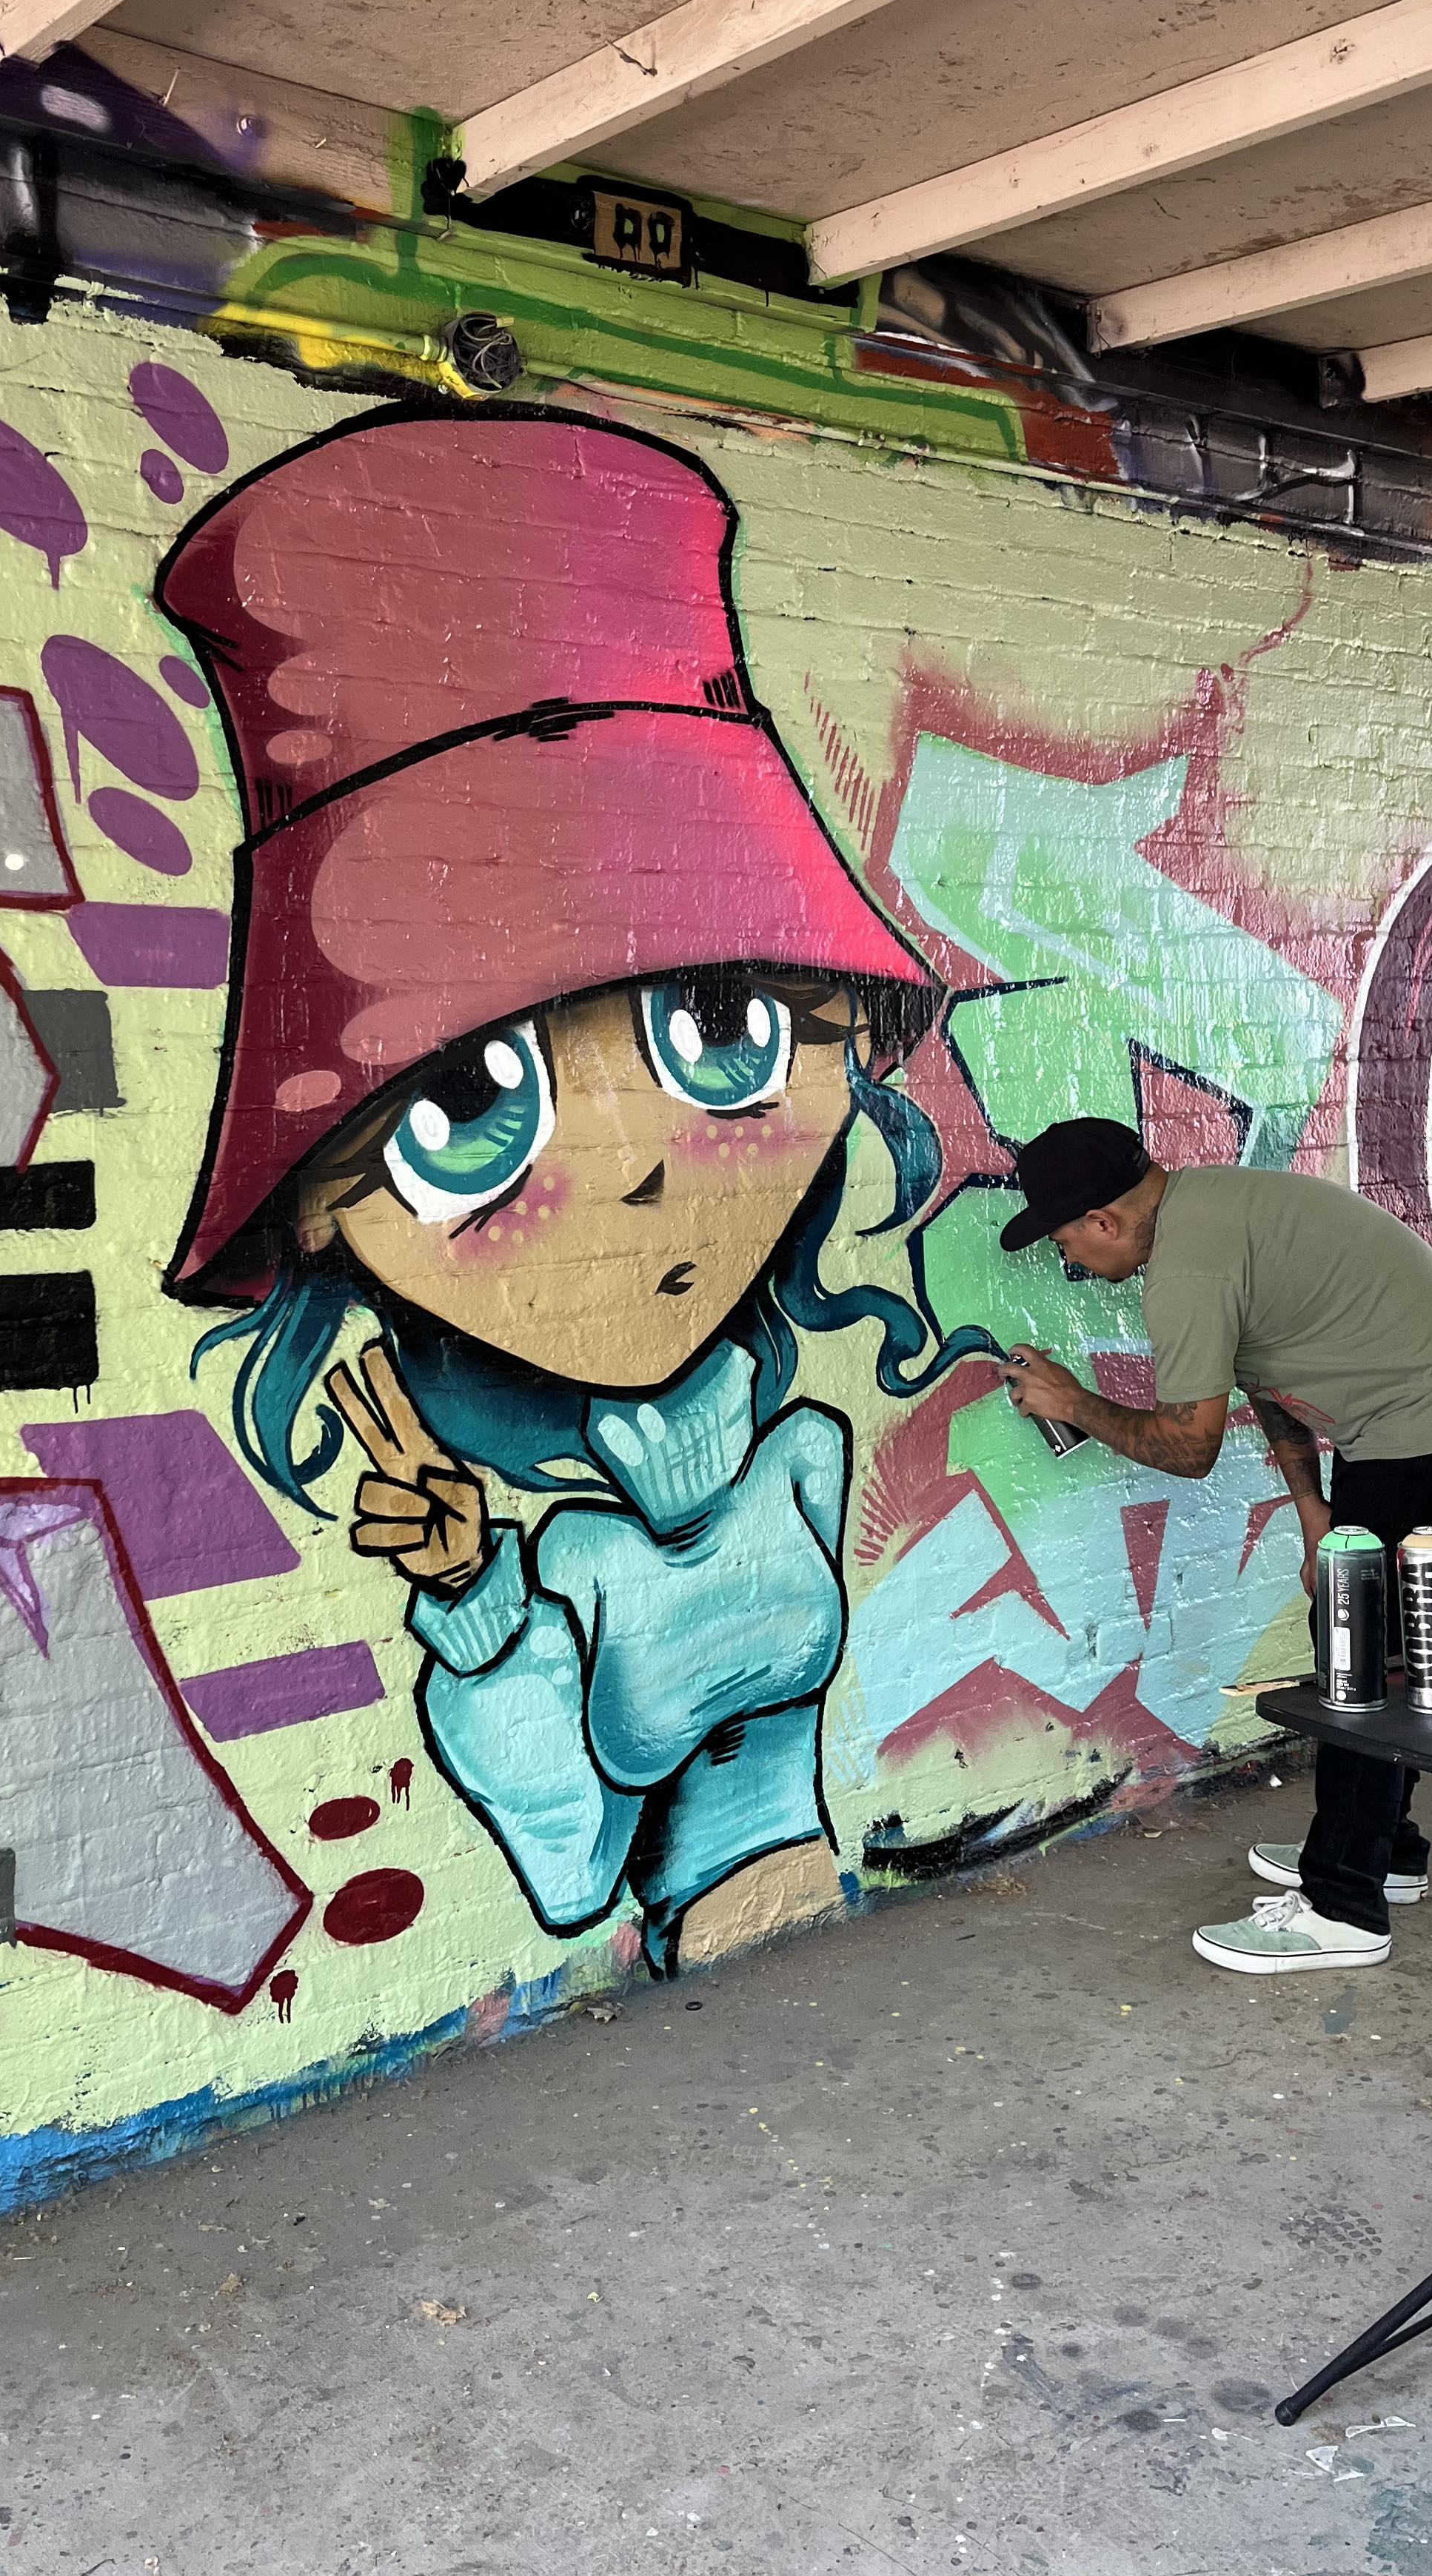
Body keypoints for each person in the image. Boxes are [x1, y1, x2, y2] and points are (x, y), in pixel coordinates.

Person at [157, 404, 995, 1976]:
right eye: (466, 1108)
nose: (641, 1172)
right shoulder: (578, 1552)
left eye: (728, 1030)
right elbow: (568, 1868)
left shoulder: (798, 1453)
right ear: (323, 1205)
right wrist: (474, 1598)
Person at [999, 1116, 1432, 1974]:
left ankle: (1343, 1905)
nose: (1071, 1261)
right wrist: (1313, 1510)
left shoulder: (1188, 1272)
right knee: (1373, 1636)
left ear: (1104, 1220)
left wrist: (1076, 1406)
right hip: (1426, 1412)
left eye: (1066, 1242)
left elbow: (1190, 1447)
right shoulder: (1207, 1211)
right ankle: (1384, 1850)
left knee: (1359, 1651)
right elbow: (1272, 1375)